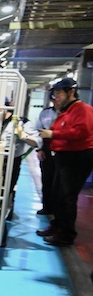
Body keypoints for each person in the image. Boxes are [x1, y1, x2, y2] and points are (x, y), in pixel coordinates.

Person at [36, 77, 93, 246]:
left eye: (59, 93)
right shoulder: (66, 111)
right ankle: (58, 226)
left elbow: (80, 132)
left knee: (67, 196)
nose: (56, 97)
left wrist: (53, 135)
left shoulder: (82, 109)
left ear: (71, 92)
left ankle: (66, 234)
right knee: (57, 194)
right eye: (54, 94)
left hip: (78, 157)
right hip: (64, 157)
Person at [0, 97, 39, 221]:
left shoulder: (21, 122)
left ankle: (3, 217)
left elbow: (37, 142)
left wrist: (23, 135)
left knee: (7, 191)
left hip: (10, 162)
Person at [33, 90, 58, 215]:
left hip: (62, 150)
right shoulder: (45, 113)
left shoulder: (69, 113)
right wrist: (40, 149)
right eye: (54, 97)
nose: (56, 99)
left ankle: (57, 209)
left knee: (60, 182)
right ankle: (47, 207)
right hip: (47, 148)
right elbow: (39, 131)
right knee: (46, 179)